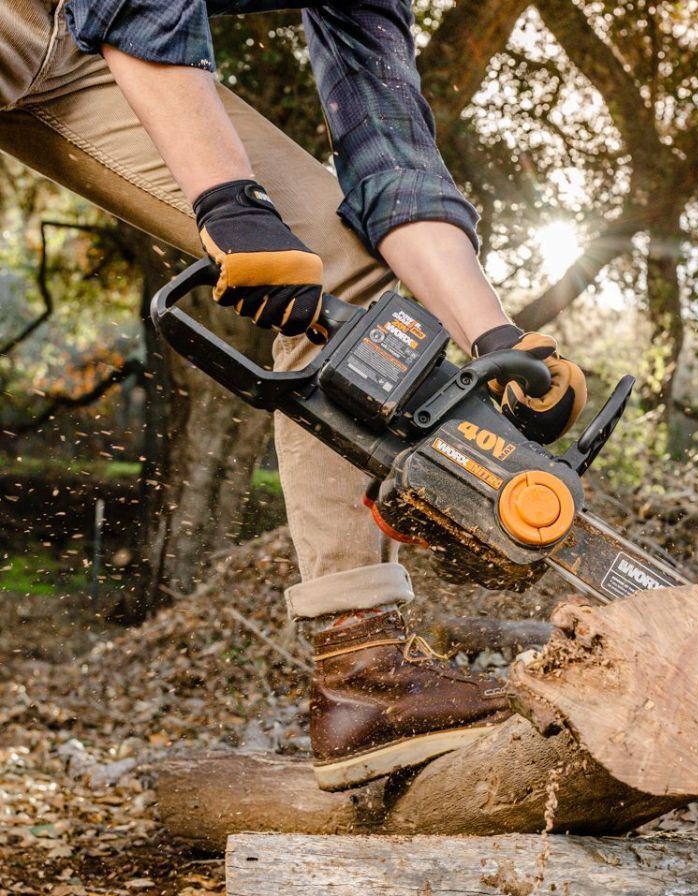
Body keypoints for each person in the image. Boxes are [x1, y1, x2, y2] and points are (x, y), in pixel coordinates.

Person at [0, 0, 587, 790]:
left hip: (76, 39)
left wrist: (495, 339)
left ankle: (362, 674)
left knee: (343, 271)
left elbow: (393, 159)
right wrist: (228, 202)